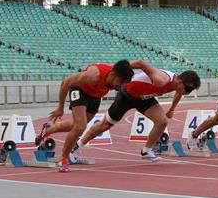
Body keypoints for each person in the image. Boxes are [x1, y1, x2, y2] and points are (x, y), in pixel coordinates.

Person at [72, 64, 201, 164]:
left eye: (191, 90)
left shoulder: (177, 85)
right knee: (105, 125)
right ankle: (78, 145)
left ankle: (147, 150)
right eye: (188, 89)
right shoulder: (162, 79)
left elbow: (179, 93)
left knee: (162, 121)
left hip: (144, 98)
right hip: (127, 94)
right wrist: (117, 68)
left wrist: (172, 108)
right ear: (179, 81)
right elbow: (141, 63)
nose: (188, 93)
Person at [39, 60, 134, 172]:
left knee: (75, 125)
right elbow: (66, 82)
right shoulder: (93, 75)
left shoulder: (117, 78)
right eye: (120, 82)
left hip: (96, 96)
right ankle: (63, 158)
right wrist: (60, 107)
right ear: (112, 74)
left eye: (124, 83)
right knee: (80, 126)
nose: (121, 86)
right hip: (79, 90)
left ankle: (48, 129)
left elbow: (135, 64)